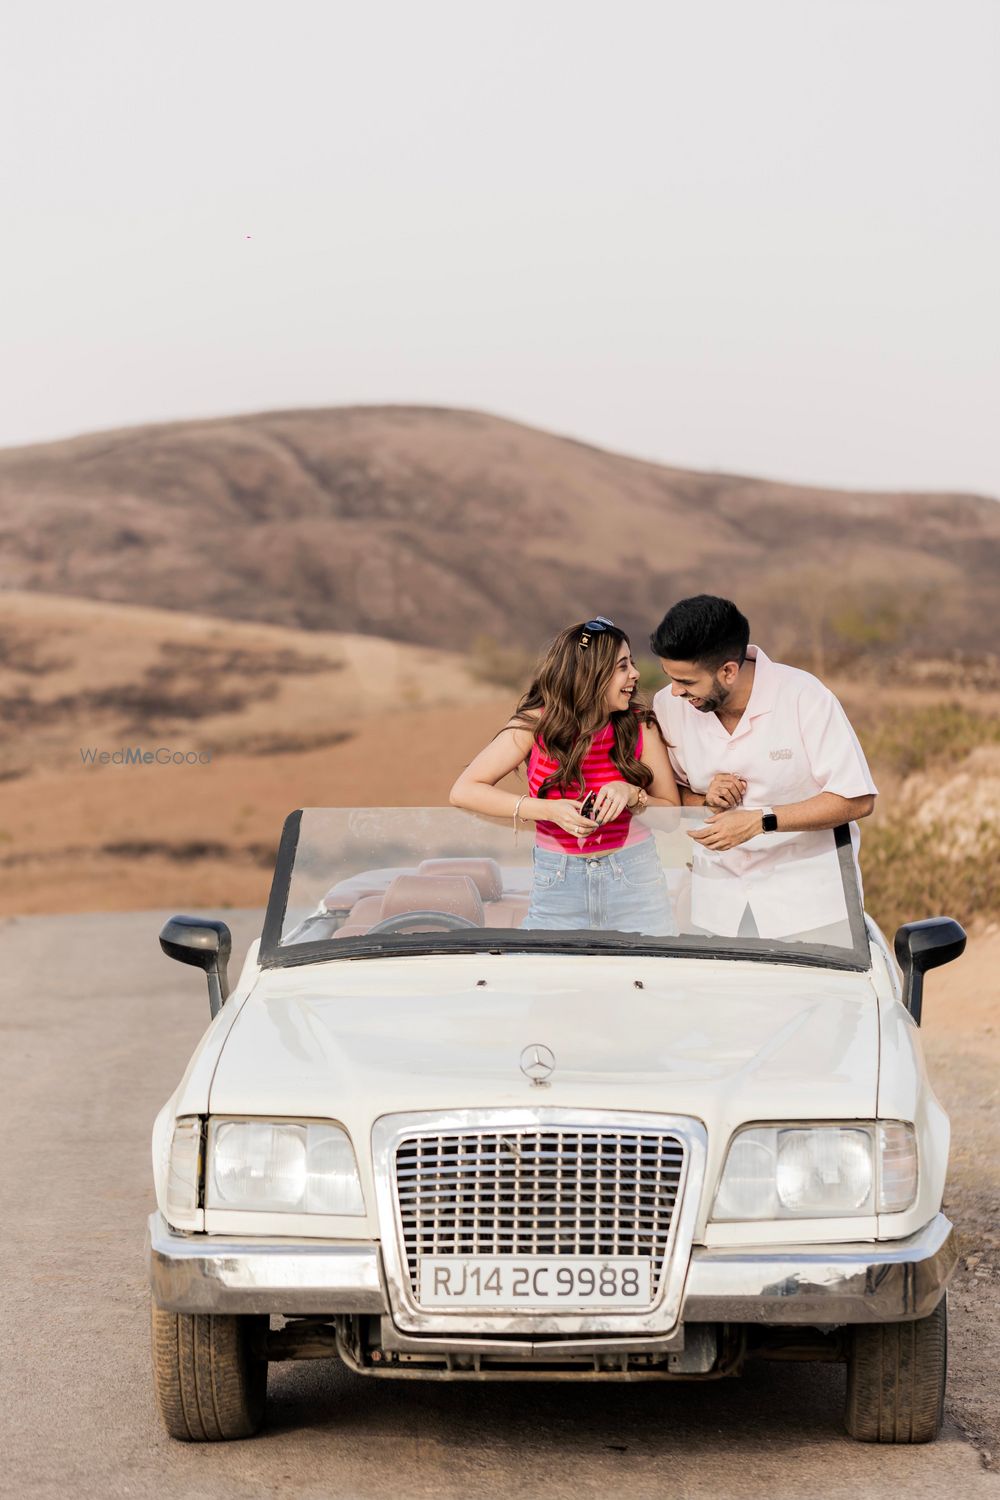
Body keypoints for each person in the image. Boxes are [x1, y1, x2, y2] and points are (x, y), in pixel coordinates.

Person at [649, 595, 877, 942]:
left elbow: (856, 798)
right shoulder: (668, 704)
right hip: (715, 910)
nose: (676, 691)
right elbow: (668, 796)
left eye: (688, 682)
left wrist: (760, 821)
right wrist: (704, 800)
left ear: (728, 670)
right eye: (671, 678)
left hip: (811, 909)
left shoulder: (805, 696)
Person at [450, 617, 681, 934]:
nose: (635, 674)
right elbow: (464, 791)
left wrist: (632, 794)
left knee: (652, 980)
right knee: (546, 981)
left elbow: (670, 818)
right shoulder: (535, 725)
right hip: (557, 881)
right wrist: (546, 810)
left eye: (632, 663)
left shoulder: (642, 724)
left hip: (635, 878)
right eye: (622, 666)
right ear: (590, 675)